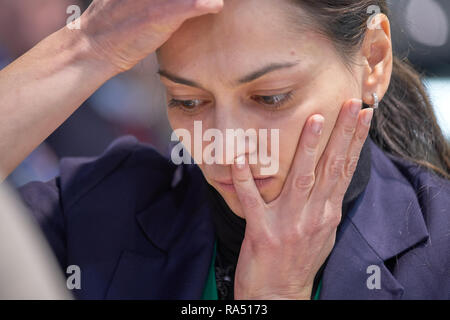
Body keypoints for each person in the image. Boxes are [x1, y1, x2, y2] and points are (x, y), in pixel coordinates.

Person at [0, 0, 449, 300]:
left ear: (373, 59)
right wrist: (87, 45)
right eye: (188, 101)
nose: (226, 145)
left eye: (270, 97)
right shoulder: (103, 213)